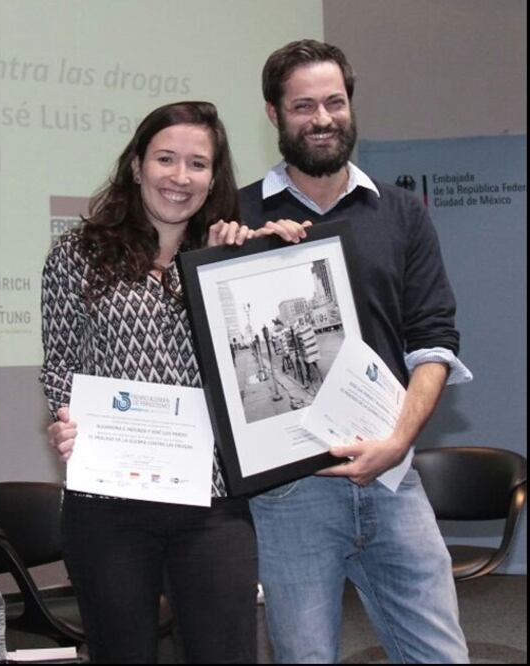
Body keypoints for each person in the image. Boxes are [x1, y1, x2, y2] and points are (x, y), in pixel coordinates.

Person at [239, 39, 472, 663]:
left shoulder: (401, 212)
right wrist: (232, 252)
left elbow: (434, 340)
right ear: (274, 114)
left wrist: (398, 441)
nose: (322, 119)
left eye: (335, 102)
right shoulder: (237, 215)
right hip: (290, 491)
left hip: (393, 476)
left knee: (441, 656)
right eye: (303, 106)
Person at [42, 101, 260, 664]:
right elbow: (60, 364)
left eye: (197, 164)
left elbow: (257, 365)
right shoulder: (77, 254)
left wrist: (259, 257)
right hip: (108, 499)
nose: (180, 177)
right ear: (137, 165)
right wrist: (66, 419)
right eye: (166, 159)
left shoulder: (229, 257)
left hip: (213, 500)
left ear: (213, 177)